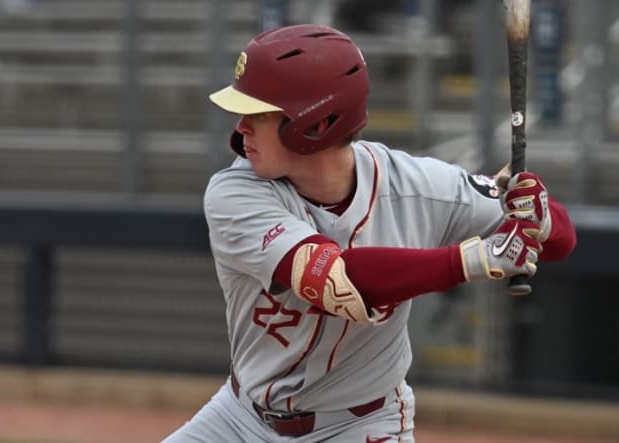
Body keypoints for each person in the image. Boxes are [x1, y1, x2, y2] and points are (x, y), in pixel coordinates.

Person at [163, 24, 576, 443]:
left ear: (315, 122)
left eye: (259, 114)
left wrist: (536, 216)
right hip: (239, 420)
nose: (241, 127)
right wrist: (475, 259)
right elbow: (339, 281)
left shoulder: (417, 185)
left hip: (359, 427)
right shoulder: (235, 191)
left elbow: (560, 238)